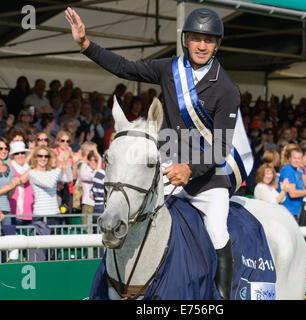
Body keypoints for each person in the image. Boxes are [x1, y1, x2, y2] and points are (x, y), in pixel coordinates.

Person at [65, 6, 245, 299]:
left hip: (206, 180)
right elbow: (125, 66)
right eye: (197, 38)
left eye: (209, 40)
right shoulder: (169, 69)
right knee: (130, 219)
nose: (202, 45)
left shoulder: (227, 89)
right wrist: (86, 45)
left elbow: (222, 147)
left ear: (216, 45)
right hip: (166, 171)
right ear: (186, 39)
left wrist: (190, 169)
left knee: (216, 231)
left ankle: (222, 297)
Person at [29, 146, 73, 233]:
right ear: (35, 158)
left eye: (46, 156)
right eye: (40, 156)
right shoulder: (32, 173)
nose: (43, 158)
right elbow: (49, 184)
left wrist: (66, 163)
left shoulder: (52, 172)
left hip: (55, 214)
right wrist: (59, 167)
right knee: (42, 246)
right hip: (41, 216)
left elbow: (68, 179)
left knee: (54, 246)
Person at [277, 147, 306, 221]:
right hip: (287, 211)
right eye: (294, 158)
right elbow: (293, 193)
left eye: (299, 158)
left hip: (296, 210)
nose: (297, 160)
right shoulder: (288, 170)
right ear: (289, 159)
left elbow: (305, 187)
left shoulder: (298, 172)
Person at [8, 141, 33, 226]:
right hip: (15, 212)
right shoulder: (10, 169)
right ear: (13, 156)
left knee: (31, 239)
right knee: (15, 238)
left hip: (30, 212)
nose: (20, 155)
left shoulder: (29, 167)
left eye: (22, 153)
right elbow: (21, 180)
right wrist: (33, 167)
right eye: (17, 153)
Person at [79, 149, 102, 228]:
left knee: (98, 229)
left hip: (99, 205)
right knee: (87, 228)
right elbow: (96, 176)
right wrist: (100, 159)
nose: (95, 162)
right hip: (88, 204)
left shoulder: (101, 170)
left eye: (96, 160)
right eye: (93, 160)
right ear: (88, 161)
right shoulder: (84, 170)